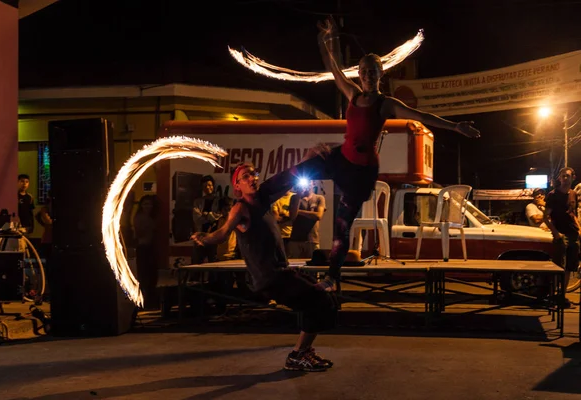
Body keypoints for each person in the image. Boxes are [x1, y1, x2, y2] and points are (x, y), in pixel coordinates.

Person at [285, 17, 480, 292]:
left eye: (373, 71)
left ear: (381, 75)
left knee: (342, 226)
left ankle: (332, 278)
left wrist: (455, 126)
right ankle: (265, 194)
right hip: (344, 159)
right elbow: (334, 69)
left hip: (361, 171)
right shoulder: (352, 94)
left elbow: (421, 115)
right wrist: (323, 40)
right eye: (364, 70)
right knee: (308, 164)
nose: (367, 75)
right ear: (360, 73)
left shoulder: (386, 104)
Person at [191, 162, 337, 371]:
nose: (252, 178)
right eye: (245, 177)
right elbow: (223, 233)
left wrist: (309, 160)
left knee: (321, 298)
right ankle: (297, 355)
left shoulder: (263, 202)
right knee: (318, 300)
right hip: (270, 277)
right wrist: (205, 239)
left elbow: (283, 182)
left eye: (253, 174)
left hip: (282, 271)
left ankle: (302, 352)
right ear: (237, 186)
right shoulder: (240, 208)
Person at [543, 167, 579, 308]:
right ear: (559, 178)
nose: (565, 179)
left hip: (573, 234)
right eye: (563, 176)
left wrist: (579, 231)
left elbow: (573, 214)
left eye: (568, 176)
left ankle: (562, 297)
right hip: (561, 235)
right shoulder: (553, 195)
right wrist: (556, 234)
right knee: (559, 267)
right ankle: (554, 295)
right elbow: (545, 217)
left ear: (573, 178)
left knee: (570, 266)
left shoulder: (573, 194)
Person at [287, 180, 325, 258]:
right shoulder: (294, 197)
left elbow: (318, 216)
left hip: (312, 239)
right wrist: (298, 195)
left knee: (313, 267)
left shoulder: (319, 198)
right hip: (295, 239)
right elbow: (292, 216)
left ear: (313, 183)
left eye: (308, 181)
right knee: (294, 267)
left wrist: (299, 211)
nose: (306, 183)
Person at [134, 195, 159, 308]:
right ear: (141, 205)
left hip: (151, 248)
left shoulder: (153, 217)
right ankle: (143, 301)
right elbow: (139, 233)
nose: (147, 206)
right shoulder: (139, 217)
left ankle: (151, 301)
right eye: (145, 204)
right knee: (144, 276)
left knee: (152, 275)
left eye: (149, 204)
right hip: (143, 249)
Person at [191, 175, 221, 264]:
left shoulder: (219, 201)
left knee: (214, 263)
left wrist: (206, 214)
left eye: (210, 185)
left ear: (213, 186)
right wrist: (211, 217)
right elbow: (196, 218)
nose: (208, 188)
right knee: (197, 263)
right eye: (205, 186)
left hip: (214, 237)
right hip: (200, 238)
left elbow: (219, 217)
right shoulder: (197, 202)